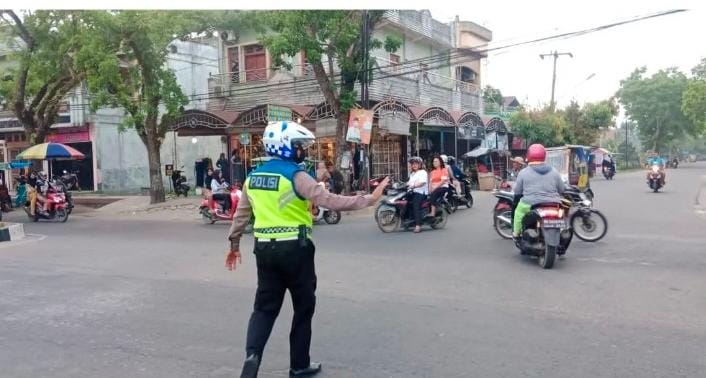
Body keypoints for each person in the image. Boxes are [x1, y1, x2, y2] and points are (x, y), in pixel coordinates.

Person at [225, 121, 390, 378]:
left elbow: (241, 216)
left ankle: (253, 355)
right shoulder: (297, 176)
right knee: (303, 308)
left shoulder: (252, 178)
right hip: (296, 251)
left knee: (264, 309)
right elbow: (331, 201)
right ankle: (299, 365)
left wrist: (234, 245)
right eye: (298, 146)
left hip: (264, 252)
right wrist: (369, 199)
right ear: (285, 148)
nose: (302, 151)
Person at [512, 144, 566, 241]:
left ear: (529, 156)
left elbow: (517, 191)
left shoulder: (523, 173)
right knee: (562, 214)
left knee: (518, 213)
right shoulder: (554, 171)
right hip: (554, 204)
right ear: (544, 156)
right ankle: (561, 230)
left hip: (529, 204)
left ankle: (516, 234)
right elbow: (562, 189)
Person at [407, 156, 428, 234]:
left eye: (416, 164)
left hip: (420, 192)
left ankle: (418, 225)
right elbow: (408, 183)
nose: (414, 165)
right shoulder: (412, 174)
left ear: (420, 165)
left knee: (415, 205)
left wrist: (414, 186)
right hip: (413, 192)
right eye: (413, 164)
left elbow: (422, 182)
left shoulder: (423, 172)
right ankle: (410, 220)